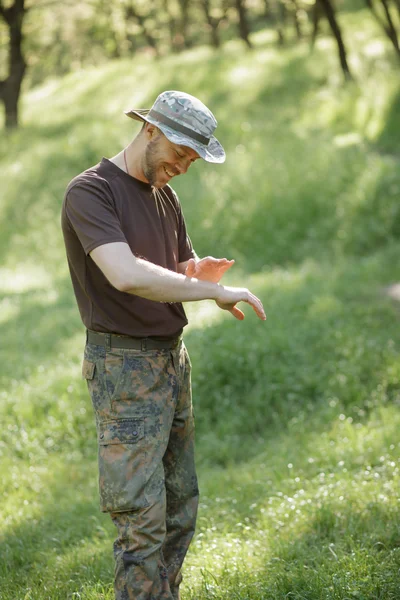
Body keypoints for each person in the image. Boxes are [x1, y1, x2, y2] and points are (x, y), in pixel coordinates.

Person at [61, 90, 266, 600]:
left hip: (172, 361)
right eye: (181, 153)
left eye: (194, 159)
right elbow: (127, 275)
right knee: (141, 522)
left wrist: (198, 275)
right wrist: (211, 290)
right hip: (123, 366)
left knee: (179, 508)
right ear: (149, 130)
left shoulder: (165, 195)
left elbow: (170, 271)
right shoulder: (90, 192)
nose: (184, 167)